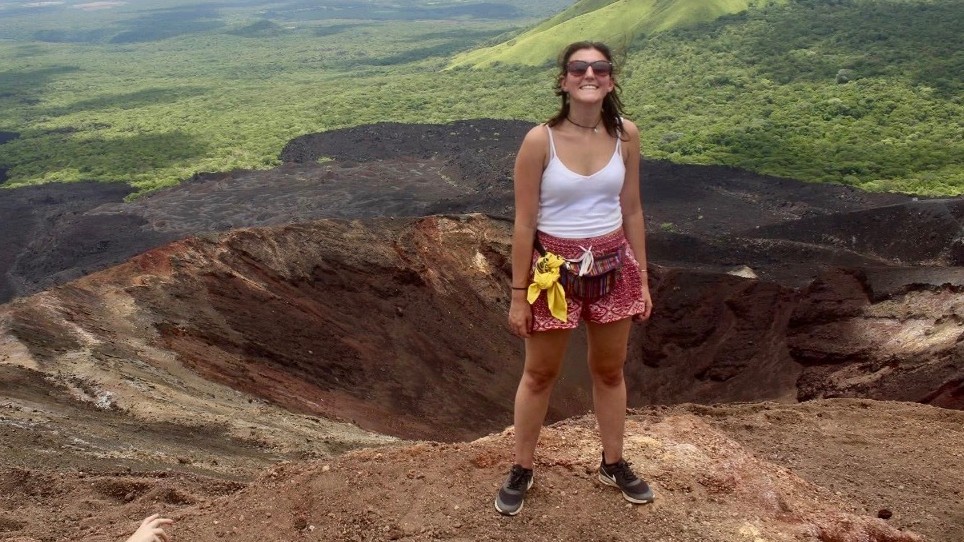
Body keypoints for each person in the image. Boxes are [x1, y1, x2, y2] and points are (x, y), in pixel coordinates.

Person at [495, 41, 654, 516]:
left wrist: (642, 278)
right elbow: (524, 222)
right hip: (553, 274)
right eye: (579, 68)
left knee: (608, 370)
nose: (590, 74)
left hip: (613, 264)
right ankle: (522, 466)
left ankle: (613, 461)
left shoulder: (626, 135)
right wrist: (519, 295)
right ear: (564, 81)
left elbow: (632, 208)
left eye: (600, 67)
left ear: (611, 79)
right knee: (540, 373)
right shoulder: (539, 141)